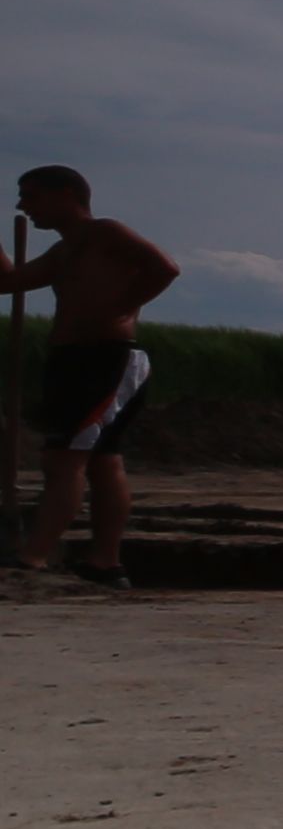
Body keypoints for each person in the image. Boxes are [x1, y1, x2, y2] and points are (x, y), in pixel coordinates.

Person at [9, 165, 176, 587]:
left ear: (66, 194)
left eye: (31, 196)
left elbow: (164, 268)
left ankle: (32, 558)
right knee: (100, 460)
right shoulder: (63, 251)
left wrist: (123, 306)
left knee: (64, 457)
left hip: (107, 360)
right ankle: (105, 562)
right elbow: (8, 282)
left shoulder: (105, 233)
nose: (23, 206)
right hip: (71, 361)